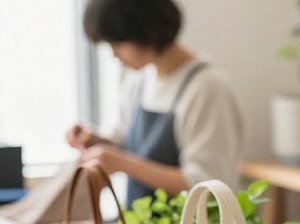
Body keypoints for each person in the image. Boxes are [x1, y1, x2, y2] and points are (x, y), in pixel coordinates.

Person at [66, 0, 244, 206]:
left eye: (118, 43)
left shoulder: (207, 88)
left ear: (145, 31)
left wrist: (122, 164)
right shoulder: (139, 81)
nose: (114, 54)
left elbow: (207, 185)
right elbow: (127, 143)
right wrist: (95, 142)